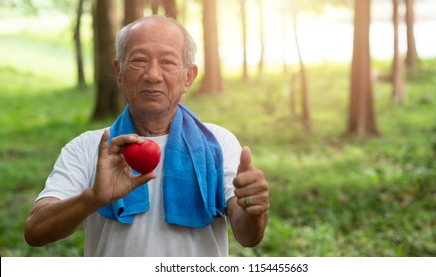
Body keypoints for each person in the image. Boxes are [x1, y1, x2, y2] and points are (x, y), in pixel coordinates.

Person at [24, 15, 269, 256]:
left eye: (168, 62)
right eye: (139, 60)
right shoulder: (89, 147)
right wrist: (92, 199)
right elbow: (35, 232)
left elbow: (248, 236)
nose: (152, 75)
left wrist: (252, 209)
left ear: (188, 77)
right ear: (119, 72)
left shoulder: (217, 143)